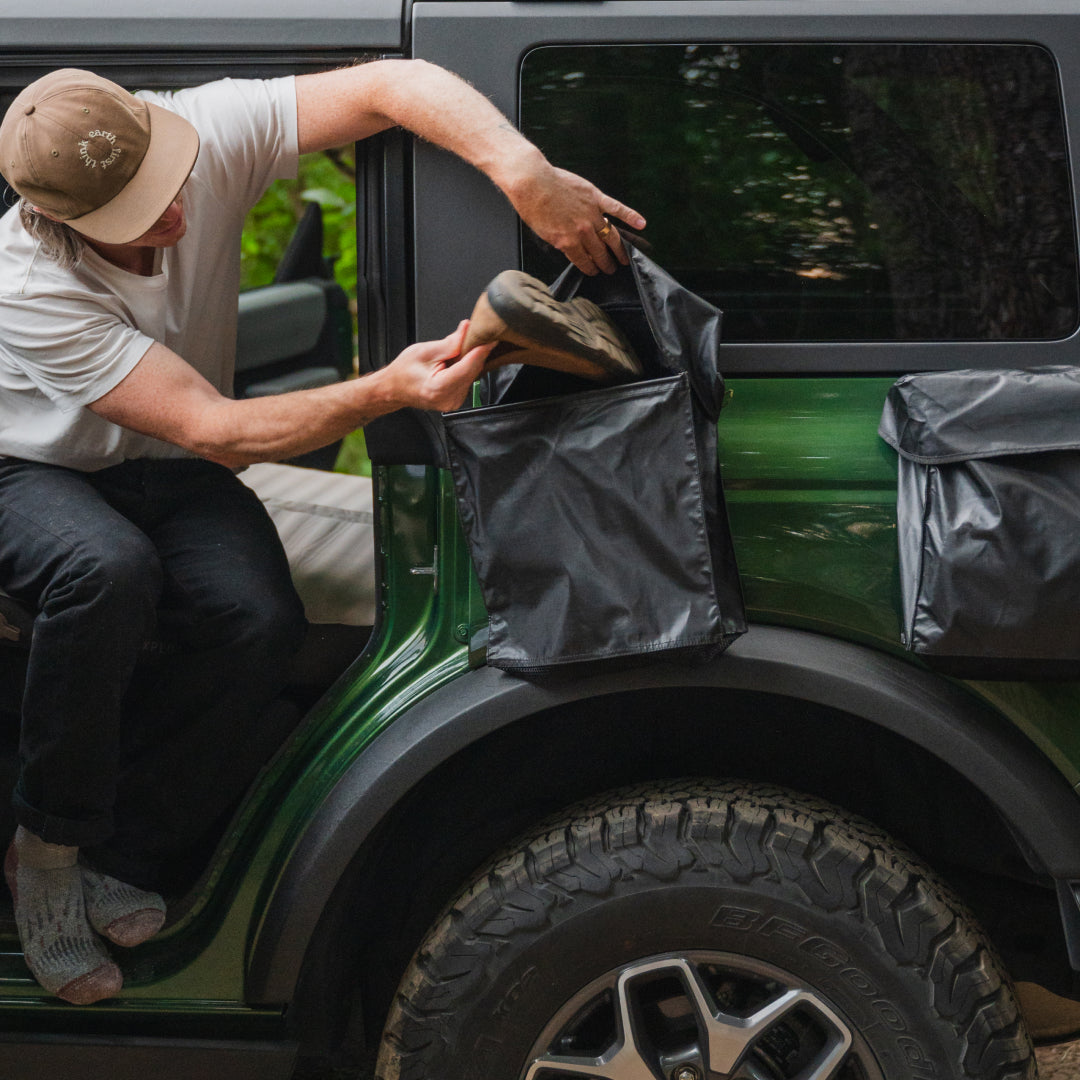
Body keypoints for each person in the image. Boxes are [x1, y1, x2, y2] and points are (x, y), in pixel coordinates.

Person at [0, 61, 645, 1005]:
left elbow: (396, 80)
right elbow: (217, 430)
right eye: (140, 212)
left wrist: (524, 171)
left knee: (255, 619)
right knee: (106, 570)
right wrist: (389, 389)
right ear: (62, 224)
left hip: (164, 470)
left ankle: (125, 846)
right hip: (32, 464)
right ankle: (47, 851)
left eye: (166, 182)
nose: (174, 212)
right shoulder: (25, 286)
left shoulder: (200, 130)